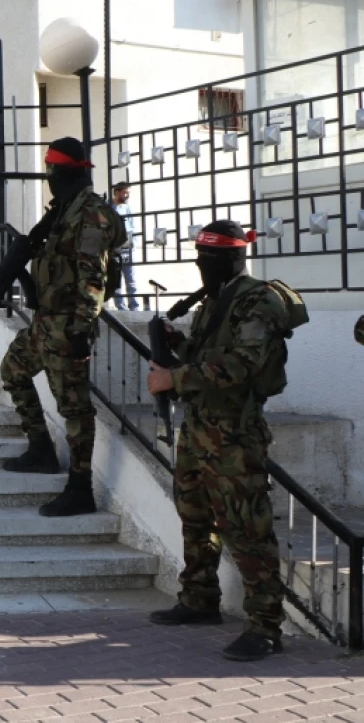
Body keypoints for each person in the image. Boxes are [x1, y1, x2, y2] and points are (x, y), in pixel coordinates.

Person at [145, 220, 290, 661]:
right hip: (200, 428)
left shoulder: (258, 301)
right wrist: (179, 345)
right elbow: (210, 356)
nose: (199, 265)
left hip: (234, 435)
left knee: (247, 528)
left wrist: (175, 376)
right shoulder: (216, 302)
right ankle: (199, 597)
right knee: (193, 512)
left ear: (229, 258)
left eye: (206, 259)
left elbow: (242, 365)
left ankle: (265, 626)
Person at [0, 137, 125, 516]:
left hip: (68, 325)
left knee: (75, 409)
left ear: (63, 172)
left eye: (51, 171)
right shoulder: (64, 209)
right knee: (13, 371)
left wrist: (81, 329)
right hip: (46, 322)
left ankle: (80, 487)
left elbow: (93, 276)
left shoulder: (89, 213)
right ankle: (40, 448)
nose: (49, 177)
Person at [110, 182, 139, 310]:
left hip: (128, 249)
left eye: (128, 193)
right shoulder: (108, 207)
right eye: (125, 192)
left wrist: (135, 244)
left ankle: (134, 307)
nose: (127, 195)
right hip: (114, 250)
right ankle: (121, 307)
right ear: (117, 192)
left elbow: (133, 228)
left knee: (131, 280)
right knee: (117, 281)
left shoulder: (127, 208)